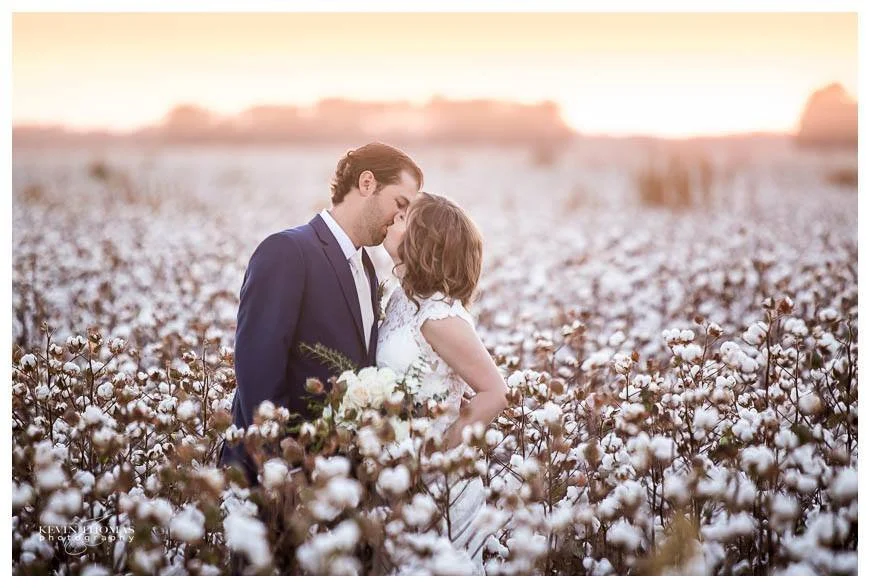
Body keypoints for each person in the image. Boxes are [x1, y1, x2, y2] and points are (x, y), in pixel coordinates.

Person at [219, 142, 423, 486]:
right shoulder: (288, 250)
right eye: (400, 204)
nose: (401, 220)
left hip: (332, 476)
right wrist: (284, 461)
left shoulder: (369, 267)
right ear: (367, 183)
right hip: (273, 475)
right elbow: (258, 368)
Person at [377, 192, 510, 574]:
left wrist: (434, 457)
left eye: (403, 218)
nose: (392, 220)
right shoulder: (403, 299)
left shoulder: (439, 315)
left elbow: (494, 392)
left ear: (423, 242)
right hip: (398, 472)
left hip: (437, 484)